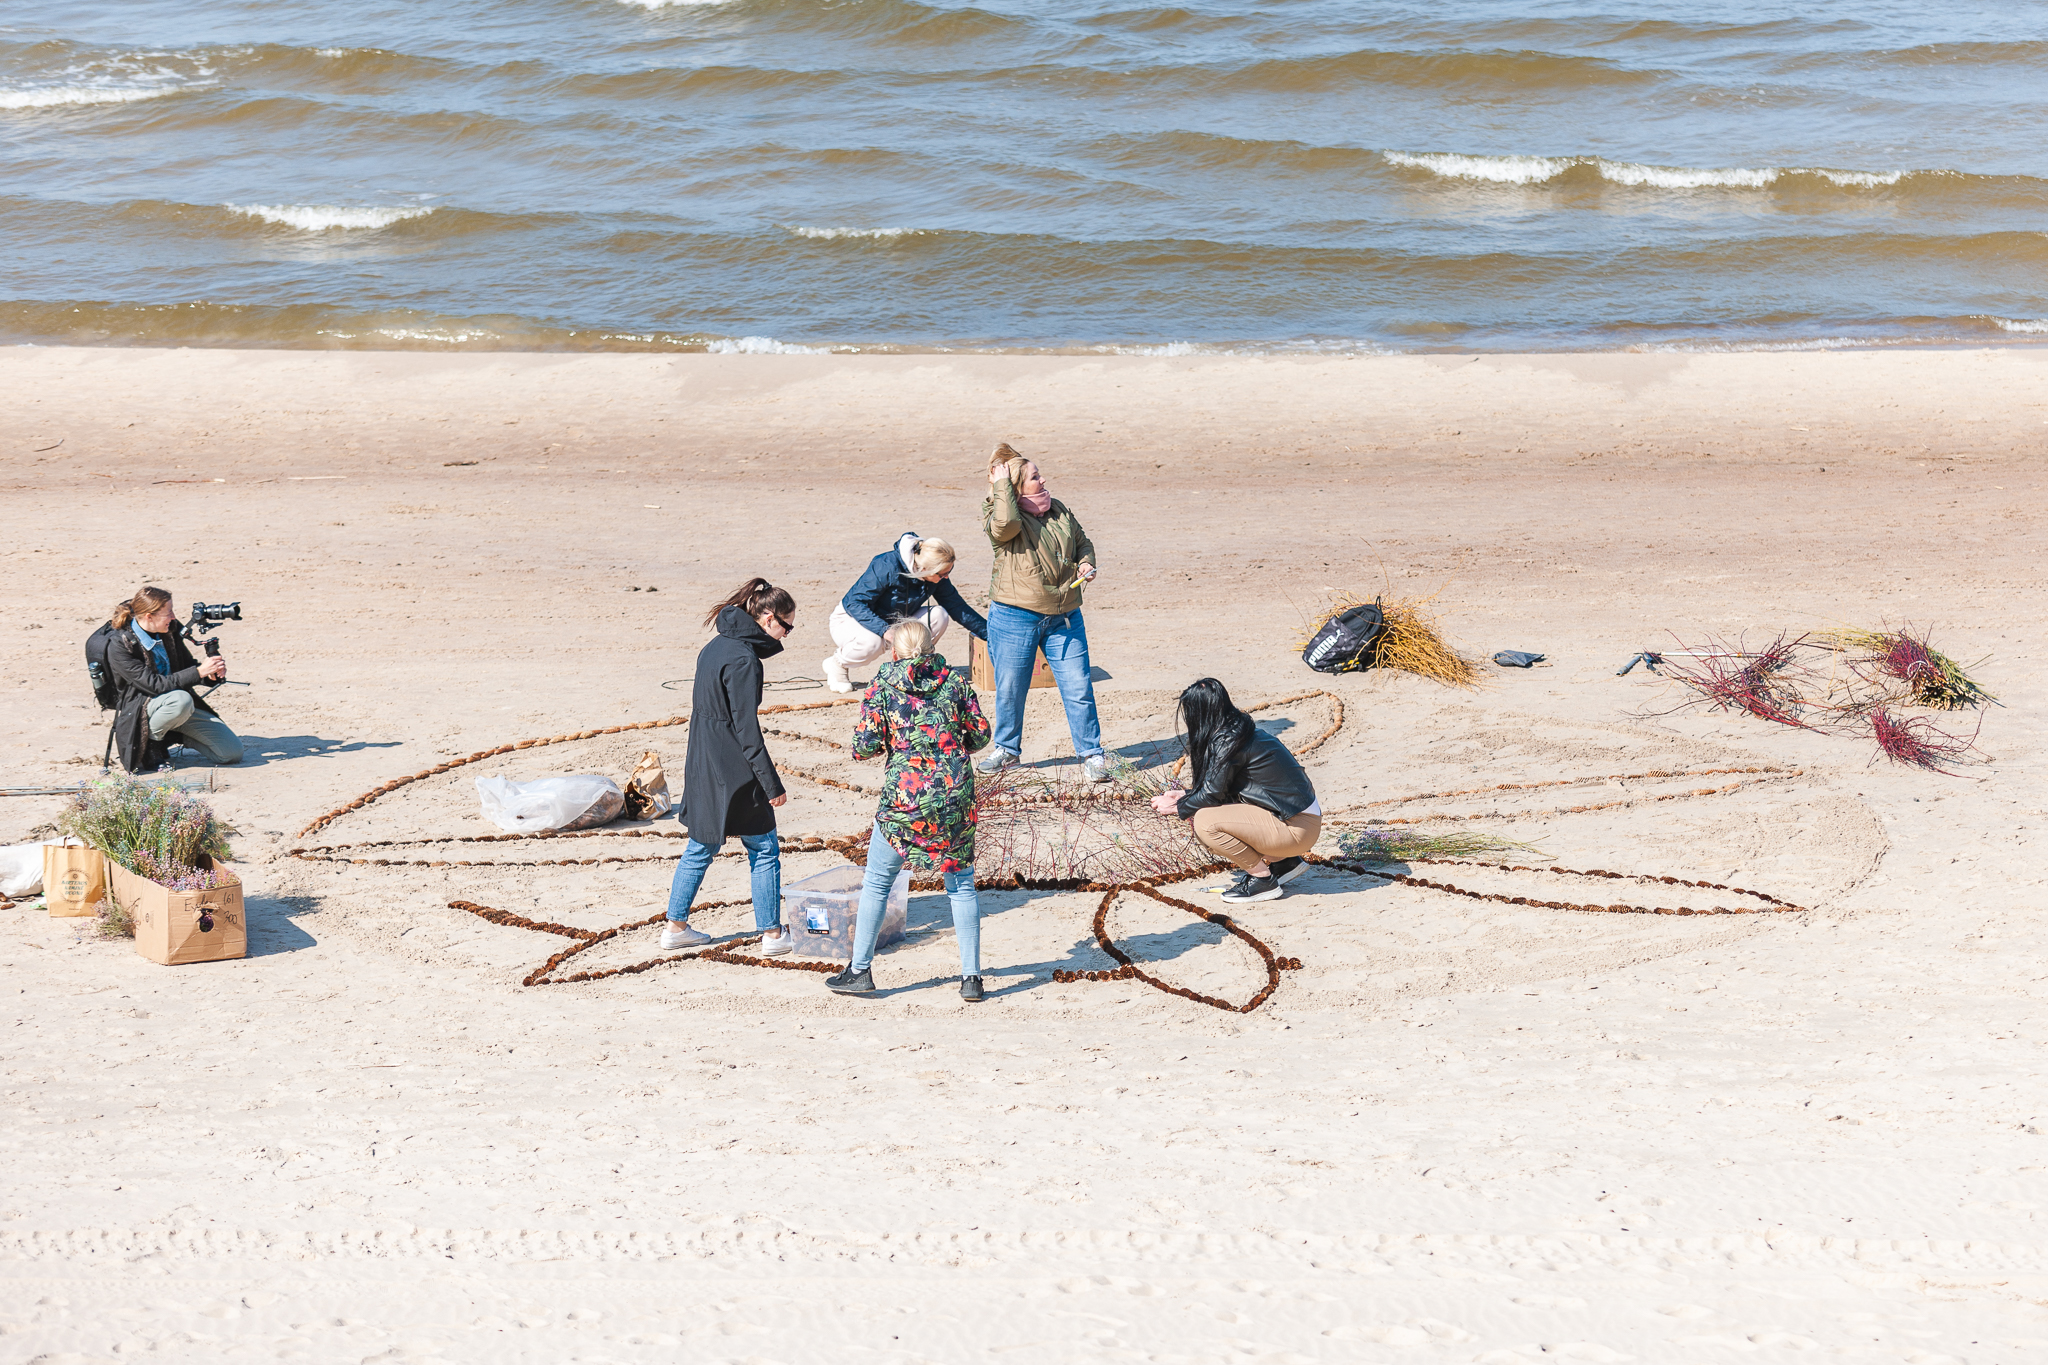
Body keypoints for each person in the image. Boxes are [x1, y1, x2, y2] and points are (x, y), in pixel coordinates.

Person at [827, 618, 993, 1001]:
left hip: (906, 800)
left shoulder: (882, 686)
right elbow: (981, 735)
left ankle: (860, 970)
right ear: (931, 646)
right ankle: (971, 978)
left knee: (878, 882)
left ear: (896, 651)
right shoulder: (954, 682)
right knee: (961, 886)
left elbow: (863, 746)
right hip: (954, 796)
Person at [663, 578, 798, 954]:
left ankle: (675, 927)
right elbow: (747, 731)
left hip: (702, 761)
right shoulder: (744, 661)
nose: (787, 634)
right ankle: (772, 934)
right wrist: (772, 786)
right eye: (786, 626)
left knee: (700, 846)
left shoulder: (715, 647)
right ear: (767, 618)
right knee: (765, 848)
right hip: (736, 771)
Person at [976, 443, 1109, 782]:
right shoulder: (999, 514)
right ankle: (1007, 749)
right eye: (1035, 477)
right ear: (1016, 488)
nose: (1044, 479)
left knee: (1078, 686)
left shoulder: (1059, 510)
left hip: (1064, 614)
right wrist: (1001, 485)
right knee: (1009, 688)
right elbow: (1006, 524)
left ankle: (1092, 754)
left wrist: (1086, 562)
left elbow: (1083, 541)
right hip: (1014, 616)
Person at [1150, 678, 1321, 904]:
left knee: (1205, 822)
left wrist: (1176, 806)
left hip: (1297, 828)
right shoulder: (1238, 731)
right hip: (1300, 821)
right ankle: (1284, 863)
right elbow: (1221, 789)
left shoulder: (1228, 739)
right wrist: (1184, 795)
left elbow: (1211, 795)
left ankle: (1262, 881)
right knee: (1210, 812)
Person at [100, 586, 244, 772]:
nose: (174, 617)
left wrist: (211, 676)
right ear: (149, 616)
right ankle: (150, 747)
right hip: (142, 708)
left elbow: (186, 667)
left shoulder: (169, 630)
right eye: (168, 612)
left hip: (175, 707)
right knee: (180, 700)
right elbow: (153, 685)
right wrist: (199, 671)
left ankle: (170, 733)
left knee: (231, 753)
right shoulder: (120, 643)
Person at [823, 532, 988, 694]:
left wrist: (989, 633)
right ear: (924, 569)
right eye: (942, 574)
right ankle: (838, 663)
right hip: (852, 619)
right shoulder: (886, 564)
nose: (946, 577)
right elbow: (856, 603)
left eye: (948, 572)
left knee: (940, 615)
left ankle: (911, 668)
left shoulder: (934, 574)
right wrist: (884, 630)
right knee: (873, 642)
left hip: (896, 620)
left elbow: (957, 606)